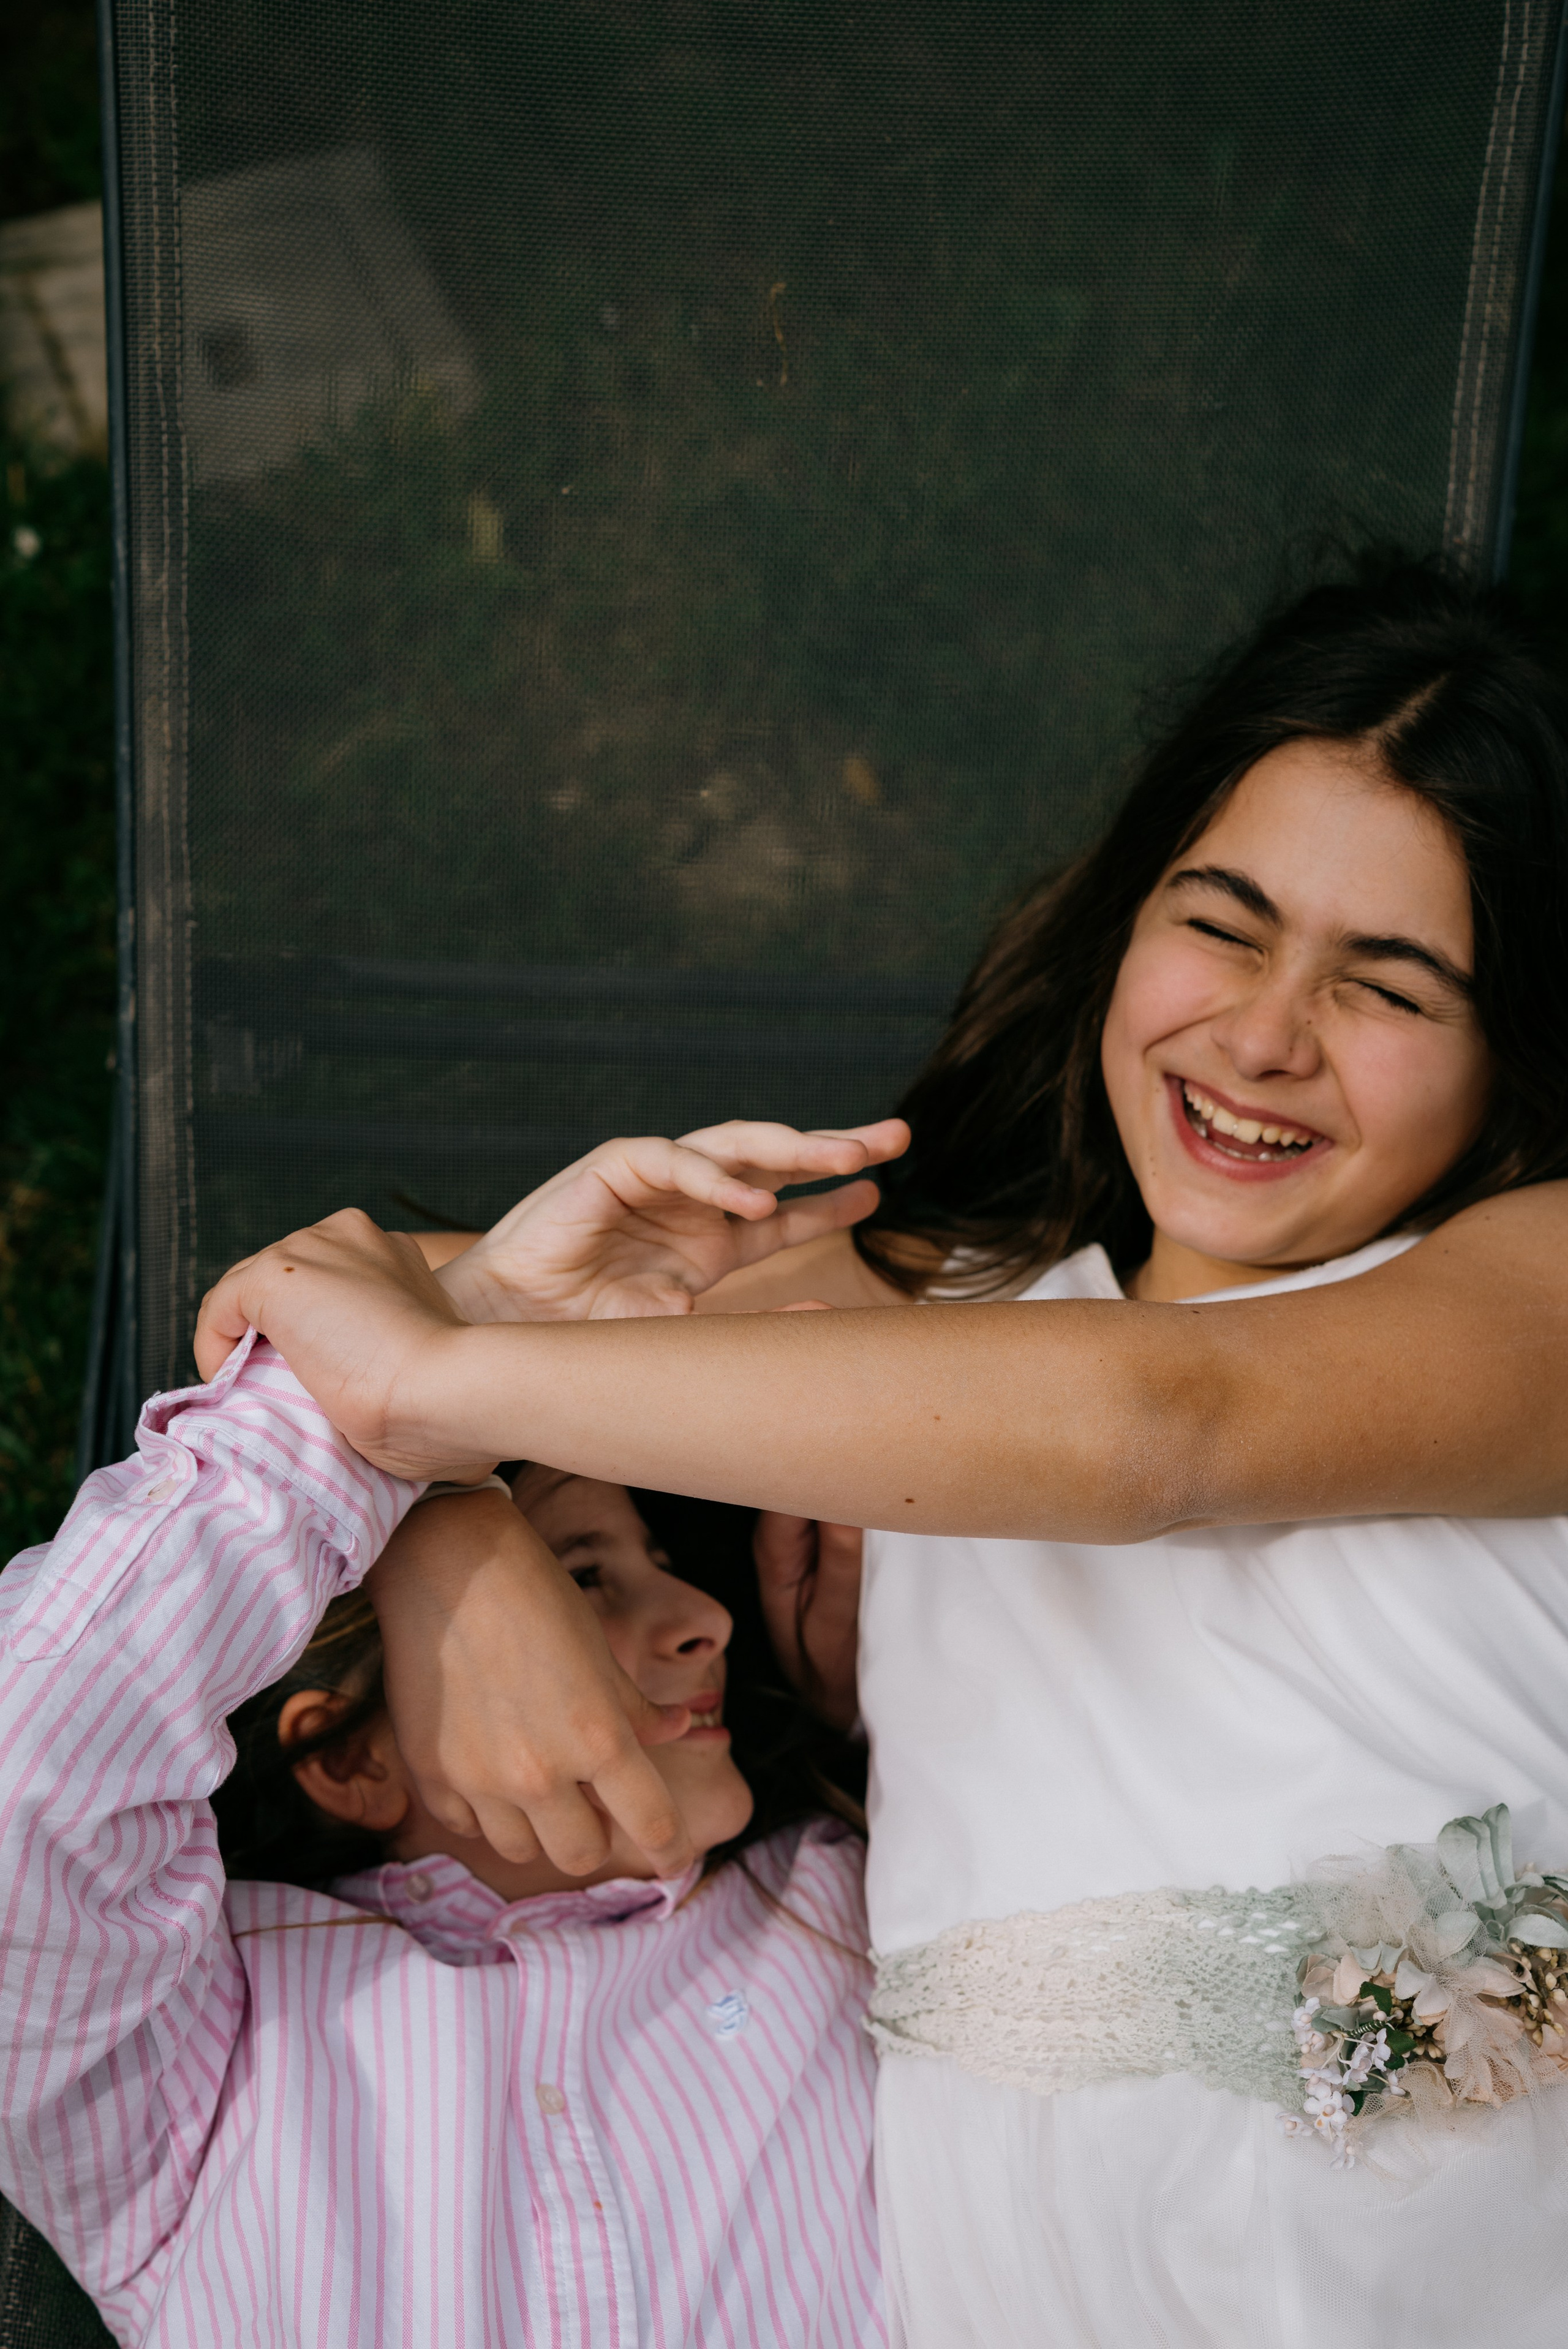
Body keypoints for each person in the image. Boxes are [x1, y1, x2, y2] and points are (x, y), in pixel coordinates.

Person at [194, 559, 1568, 2345]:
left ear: (1510, 1049)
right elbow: (287, 1306)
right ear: (1127, 914)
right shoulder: (904, 1318)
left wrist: (444, 1412)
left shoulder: (1532, 1280)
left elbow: (1162, 1425)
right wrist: (448, 1538)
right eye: (1220, 924)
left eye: (1389, 986)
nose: (1259, 1035)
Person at [0, 1123, 897, 2348]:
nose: (701, 1619)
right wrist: (424, 1423)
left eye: (663, 1567)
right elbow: (29, 1761)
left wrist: (886, 1703)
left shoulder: (848, 1904)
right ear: (349, 1757)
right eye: (580, 1579)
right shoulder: (188, 2066)